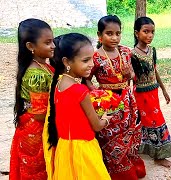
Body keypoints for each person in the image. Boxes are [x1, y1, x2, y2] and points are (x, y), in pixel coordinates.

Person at [86, 15, 146, 180]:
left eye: (118, 33)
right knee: (110, 136)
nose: (114, 38)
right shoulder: (96, 57)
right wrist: (95, 93)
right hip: (108, 102)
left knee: (131, 131)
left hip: (128, 99)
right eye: (109, 33)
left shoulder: (126, 51)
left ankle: (131, 164)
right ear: (100, 35)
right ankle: (115, 171)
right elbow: (86, 77)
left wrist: (130, 74)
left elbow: (134, 75)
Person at [46, 33, 111, 179]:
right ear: (67, 62)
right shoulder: (80, 90)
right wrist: (105, 119)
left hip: (64, 148)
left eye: (92, 59)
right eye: (86, 60)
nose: (92, 64)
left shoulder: (59, 83)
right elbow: (97, 126)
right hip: (83, 149)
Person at [10, 18, 55, 180]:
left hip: (35, 127)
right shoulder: (36, 75)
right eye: (48, 43)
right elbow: (40, 113)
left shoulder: (43, 65)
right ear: (30, 46)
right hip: (37, 131)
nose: (53, 46)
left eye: (53, 41)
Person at [131, 16, 171, 168]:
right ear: (137, 33)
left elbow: (154, 71)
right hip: (141, 94)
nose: (149, 35)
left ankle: (153, 151)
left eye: (152, 32)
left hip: (153, 91)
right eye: (146, 32)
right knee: (154, 121)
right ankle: (158, 156)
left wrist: (163, 89)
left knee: (153, 120)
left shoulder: (152, 51)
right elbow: (131, 78)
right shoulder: (132, 55)